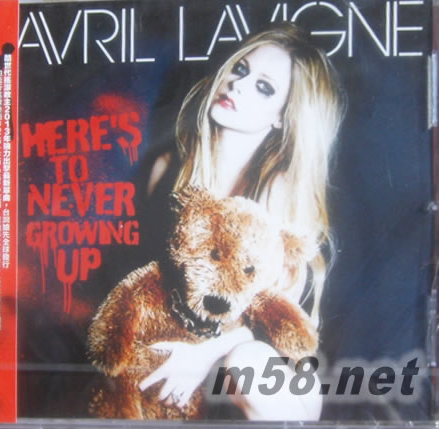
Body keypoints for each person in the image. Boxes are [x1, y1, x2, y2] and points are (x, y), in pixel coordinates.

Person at [138, 22, 346, 420]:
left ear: (283, 117)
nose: (237, 85)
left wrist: (203, 356)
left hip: (269, 371)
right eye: (240, 69)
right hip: (189, 361)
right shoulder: (166, 171)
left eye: (264, 87)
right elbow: (150, 290)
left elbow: (269, 322)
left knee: (245, 363)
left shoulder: (276, 190)